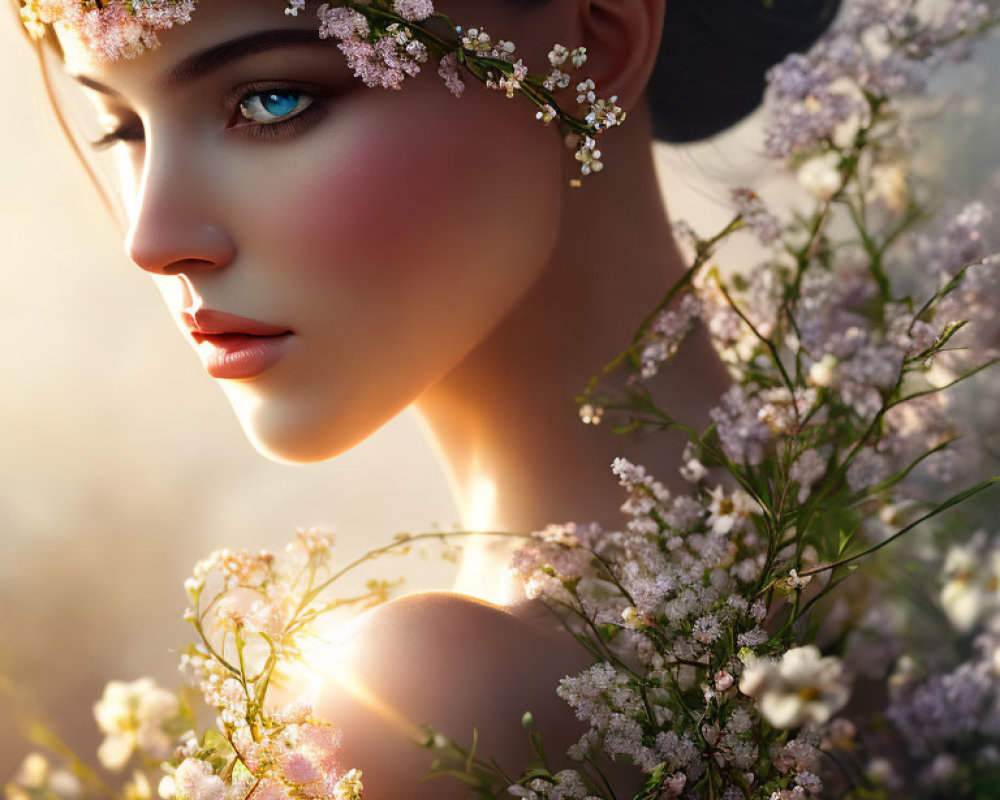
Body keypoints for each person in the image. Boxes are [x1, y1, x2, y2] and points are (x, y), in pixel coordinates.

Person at [11, 0, 839, 796]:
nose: (152, 240)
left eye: (272, 100)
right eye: (123, 127)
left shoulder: (426, 707)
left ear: (595, 49)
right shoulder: (870, 537)